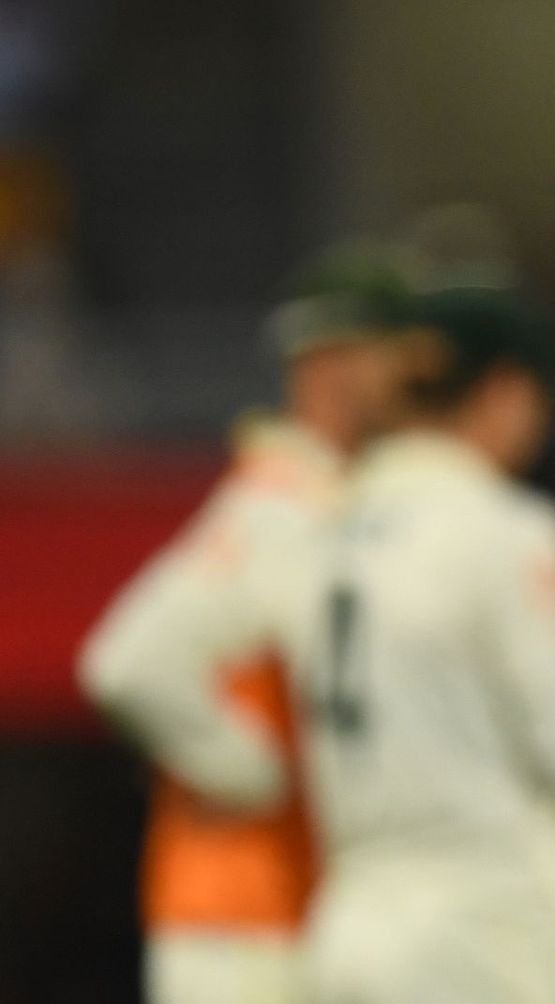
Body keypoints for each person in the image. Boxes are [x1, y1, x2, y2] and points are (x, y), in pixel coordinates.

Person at [79, 253, 414, 1004]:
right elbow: (127, 662)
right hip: (238, 917)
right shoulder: (275, 508)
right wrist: (251, 772)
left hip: (292, 910)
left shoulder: (336, 501)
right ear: (335, 366)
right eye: (395, 357)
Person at [290, 286, 555, 1004]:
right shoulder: (505, 528)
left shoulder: (324, 531)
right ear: (506, 392)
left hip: (346, 917)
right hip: (478, 927)